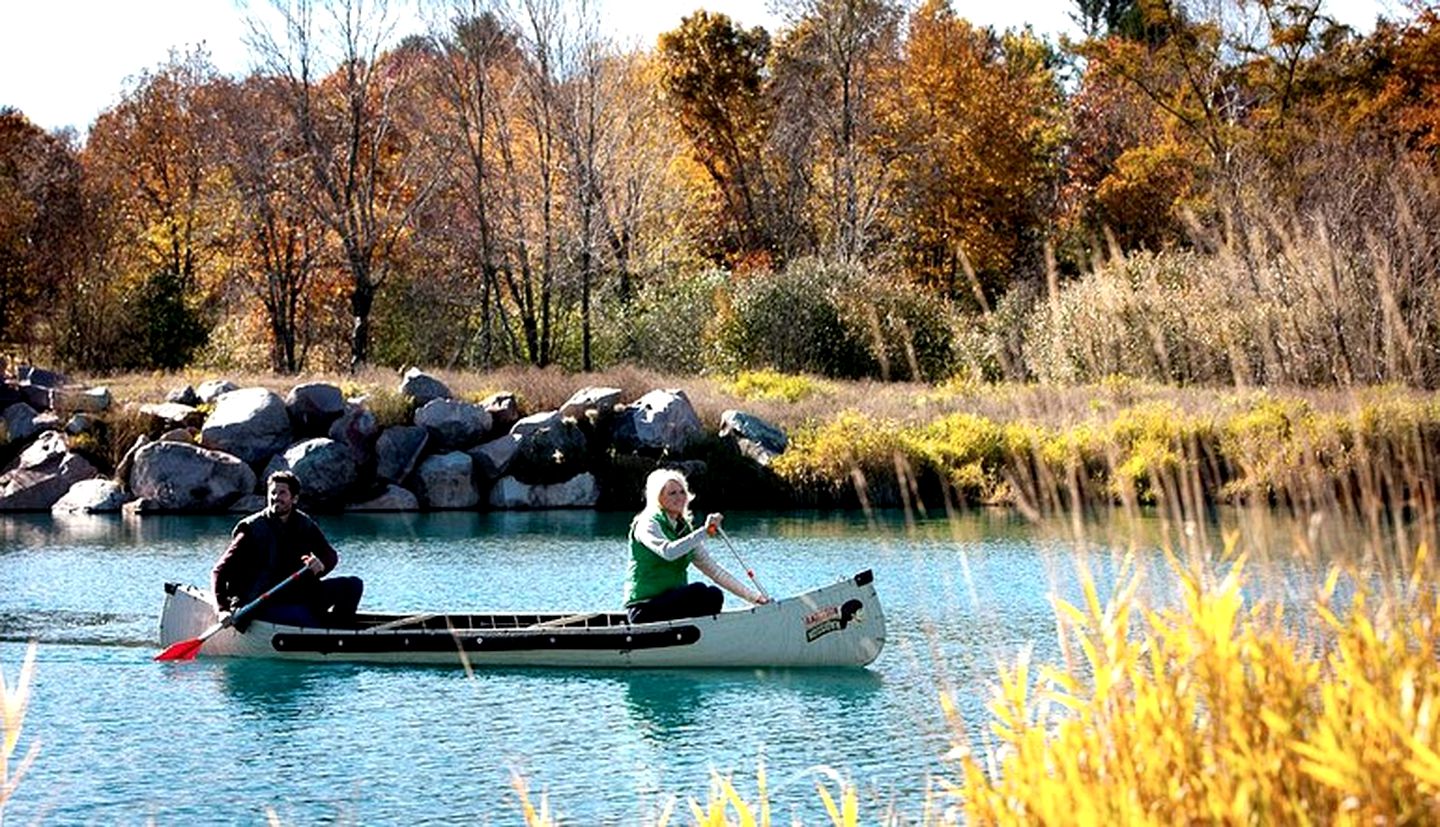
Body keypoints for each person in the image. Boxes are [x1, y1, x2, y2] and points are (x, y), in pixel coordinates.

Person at [211, 470, 364, 630]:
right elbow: (219, 571)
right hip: (263, 602)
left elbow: (330, 555)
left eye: (282, 493)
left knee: (353, 585)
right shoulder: (251, 529)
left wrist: (321, 564)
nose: (276, 497)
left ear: (294, 498)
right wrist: (222, 610)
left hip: (301, 595)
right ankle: (325, 633)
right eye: (273, 493)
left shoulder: (304, 524)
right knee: (304, 616)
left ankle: (340, 632)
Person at [625, 468, 769, 624]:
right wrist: (705, 532)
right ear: (658, 498)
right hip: (643, 609)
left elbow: (715, 571)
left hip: (669, 605)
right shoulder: (647, 524)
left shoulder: (683, 529)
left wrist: (754, 597)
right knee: (698, 591)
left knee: (714, 595)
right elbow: (668, 552)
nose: (680, 498)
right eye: (672, 493)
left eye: (682, 492)